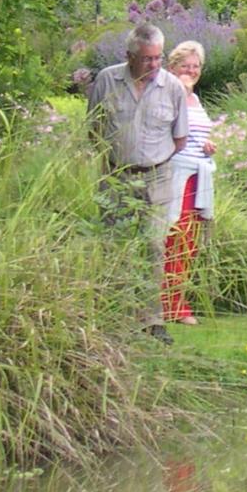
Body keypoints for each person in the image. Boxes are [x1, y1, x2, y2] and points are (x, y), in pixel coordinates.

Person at [88, 22, 189, 341]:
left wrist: (151, 159)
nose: (154, 65)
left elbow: (180, 138)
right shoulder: (108, 79)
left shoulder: (171, 86)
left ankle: (151, 319)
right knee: (113, 244)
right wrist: (117, 161)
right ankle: (113, 314)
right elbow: (93, 130)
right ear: (130, 56)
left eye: (158, 58)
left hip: (157, 176)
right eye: (147, 59)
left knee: (153, 246)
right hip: (116, 174)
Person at [160, 41, 218, 325]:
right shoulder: (171, 94)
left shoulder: (194, 98)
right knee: (176, 237)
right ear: (172, 68)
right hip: (178, 175)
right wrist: (180, 88)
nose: (192, 71)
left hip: (198, 174)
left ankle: (177, 298)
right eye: (186, 66)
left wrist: (206, 145)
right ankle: (172, 305)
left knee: (190, 241)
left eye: (196, 66)